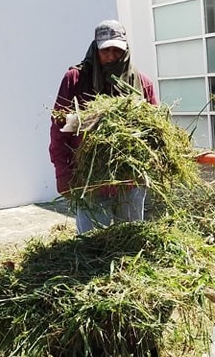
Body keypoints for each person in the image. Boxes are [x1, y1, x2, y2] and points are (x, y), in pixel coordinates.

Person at [49, 19, 159, 233]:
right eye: (105, 50)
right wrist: (62, 172)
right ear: (95, 49)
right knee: (91, 242)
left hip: (129, 179)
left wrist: (154, 166)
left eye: (117, 51)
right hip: (89, 178)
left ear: (126, 50)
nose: (111, 56)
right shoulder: (75, 79)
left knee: (128, 237)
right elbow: (58, 128)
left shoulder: (142, 83)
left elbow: (154, 132)